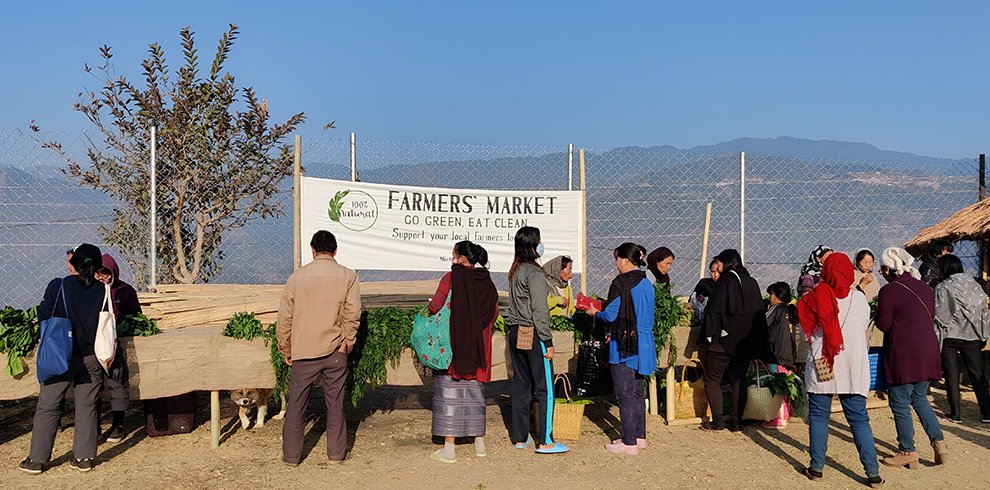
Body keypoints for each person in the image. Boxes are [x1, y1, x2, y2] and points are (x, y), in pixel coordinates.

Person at [20, 244, 108, 474]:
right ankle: (84, 458)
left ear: (75, 263)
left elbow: (44, 315)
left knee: (49, 406)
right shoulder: (102, 290)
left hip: (61, 356)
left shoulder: (58, 285)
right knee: (87, 406)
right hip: (91, 356)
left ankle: (37, 460)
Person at [797, 253, 883, 487]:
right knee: (859, 420)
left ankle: (816, 468)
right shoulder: (860, 300)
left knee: (818, 416)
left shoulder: (814, 298)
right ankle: (872, 472)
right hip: (853, 367)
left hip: (824, 365)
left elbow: (809, 330)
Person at [277, 230, 361, 466]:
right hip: (336, 350)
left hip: (303, 351)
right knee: (335, 404)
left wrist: (286, 347)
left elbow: (285, 316)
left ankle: (292, 457)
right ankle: (336, 455)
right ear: (335, 251)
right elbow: (352, 313)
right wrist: (348, 341)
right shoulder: (348, 276)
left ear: (313, 251)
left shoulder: (297, 277)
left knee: (296, 404)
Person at [426, 241, 499, 463]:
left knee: (450, 393)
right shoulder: (487, 280)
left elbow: (435, 306)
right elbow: (494, 313)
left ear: (459, 257)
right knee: (476, 391)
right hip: (479, 345)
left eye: (453, 254)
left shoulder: (451, 278)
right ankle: (479, 444)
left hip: (454, 344)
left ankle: (449, 449)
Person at [876, 247, 946, 468]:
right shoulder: (924, 288)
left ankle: (907, 451)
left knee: (899, 402)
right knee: (920, 398)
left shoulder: (889, 291)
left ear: (888, 268)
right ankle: (940, 444)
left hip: (904, 353)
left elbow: (884, 324)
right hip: (927, 350)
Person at [586, 243, 656, 455]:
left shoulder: (620, 283)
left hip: (624, 342)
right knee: (636, 392)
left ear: (625, 260)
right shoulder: (646, 282)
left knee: (624, 394)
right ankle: (639, 437)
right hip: (644, 341)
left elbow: (611, 315)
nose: (616, 263)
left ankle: (629, 443)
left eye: (617, 259)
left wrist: (595, 312)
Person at [505, 226, 568, 454]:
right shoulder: (535, 273)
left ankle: (520, 437)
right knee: (545, 388)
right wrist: (547, 340)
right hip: (533, 333)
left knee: (521, 384)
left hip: (514, 331)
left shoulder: (515, 271)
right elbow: (540, 309)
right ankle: (546, 440)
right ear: (533, 246)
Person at [700, 249, 767, 431]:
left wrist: (709, 336)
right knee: (738, 380)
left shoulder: (726, 281)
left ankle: (718, 421)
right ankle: (736, 422)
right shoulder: (751, 282)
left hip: (722, 342)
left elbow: (714, 310)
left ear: (727, 263)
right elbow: (758, 315)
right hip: (744, 343)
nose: (718, 267)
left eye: (719, 263)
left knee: (712, 379)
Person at [933, 254, 990, 423]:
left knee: (951, 375)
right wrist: (983, 333)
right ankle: (987, 413)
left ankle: (955, 413)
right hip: (972, 336)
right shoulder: (976, 286)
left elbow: (941, 315)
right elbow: (983, 311)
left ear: (944, 268)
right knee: (977, 373)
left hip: (950, 336)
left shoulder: (943, 287)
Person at [98, 254, 142, 443]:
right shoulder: (92, 291)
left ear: (113, 272)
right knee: (94, 384)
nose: (102, 277)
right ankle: (94, 425)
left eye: (106, 273)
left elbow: (136, 315)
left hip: (119, 344)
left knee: (118, 381)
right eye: (98, 273)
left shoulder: (125, 290)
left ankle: (118, 424)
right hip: (97, 344)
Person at [763, 282, 797, 429]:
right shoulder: (790, 310)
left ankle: (779, 418)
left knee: (777, 387)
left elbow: (762, 324)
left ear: (777, 296)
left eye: (771, 294)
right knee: (785, 384)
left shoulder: (776, 309)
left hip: (776, 353)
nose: (770, 297)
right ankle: (786, 413)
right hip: (789, 354)